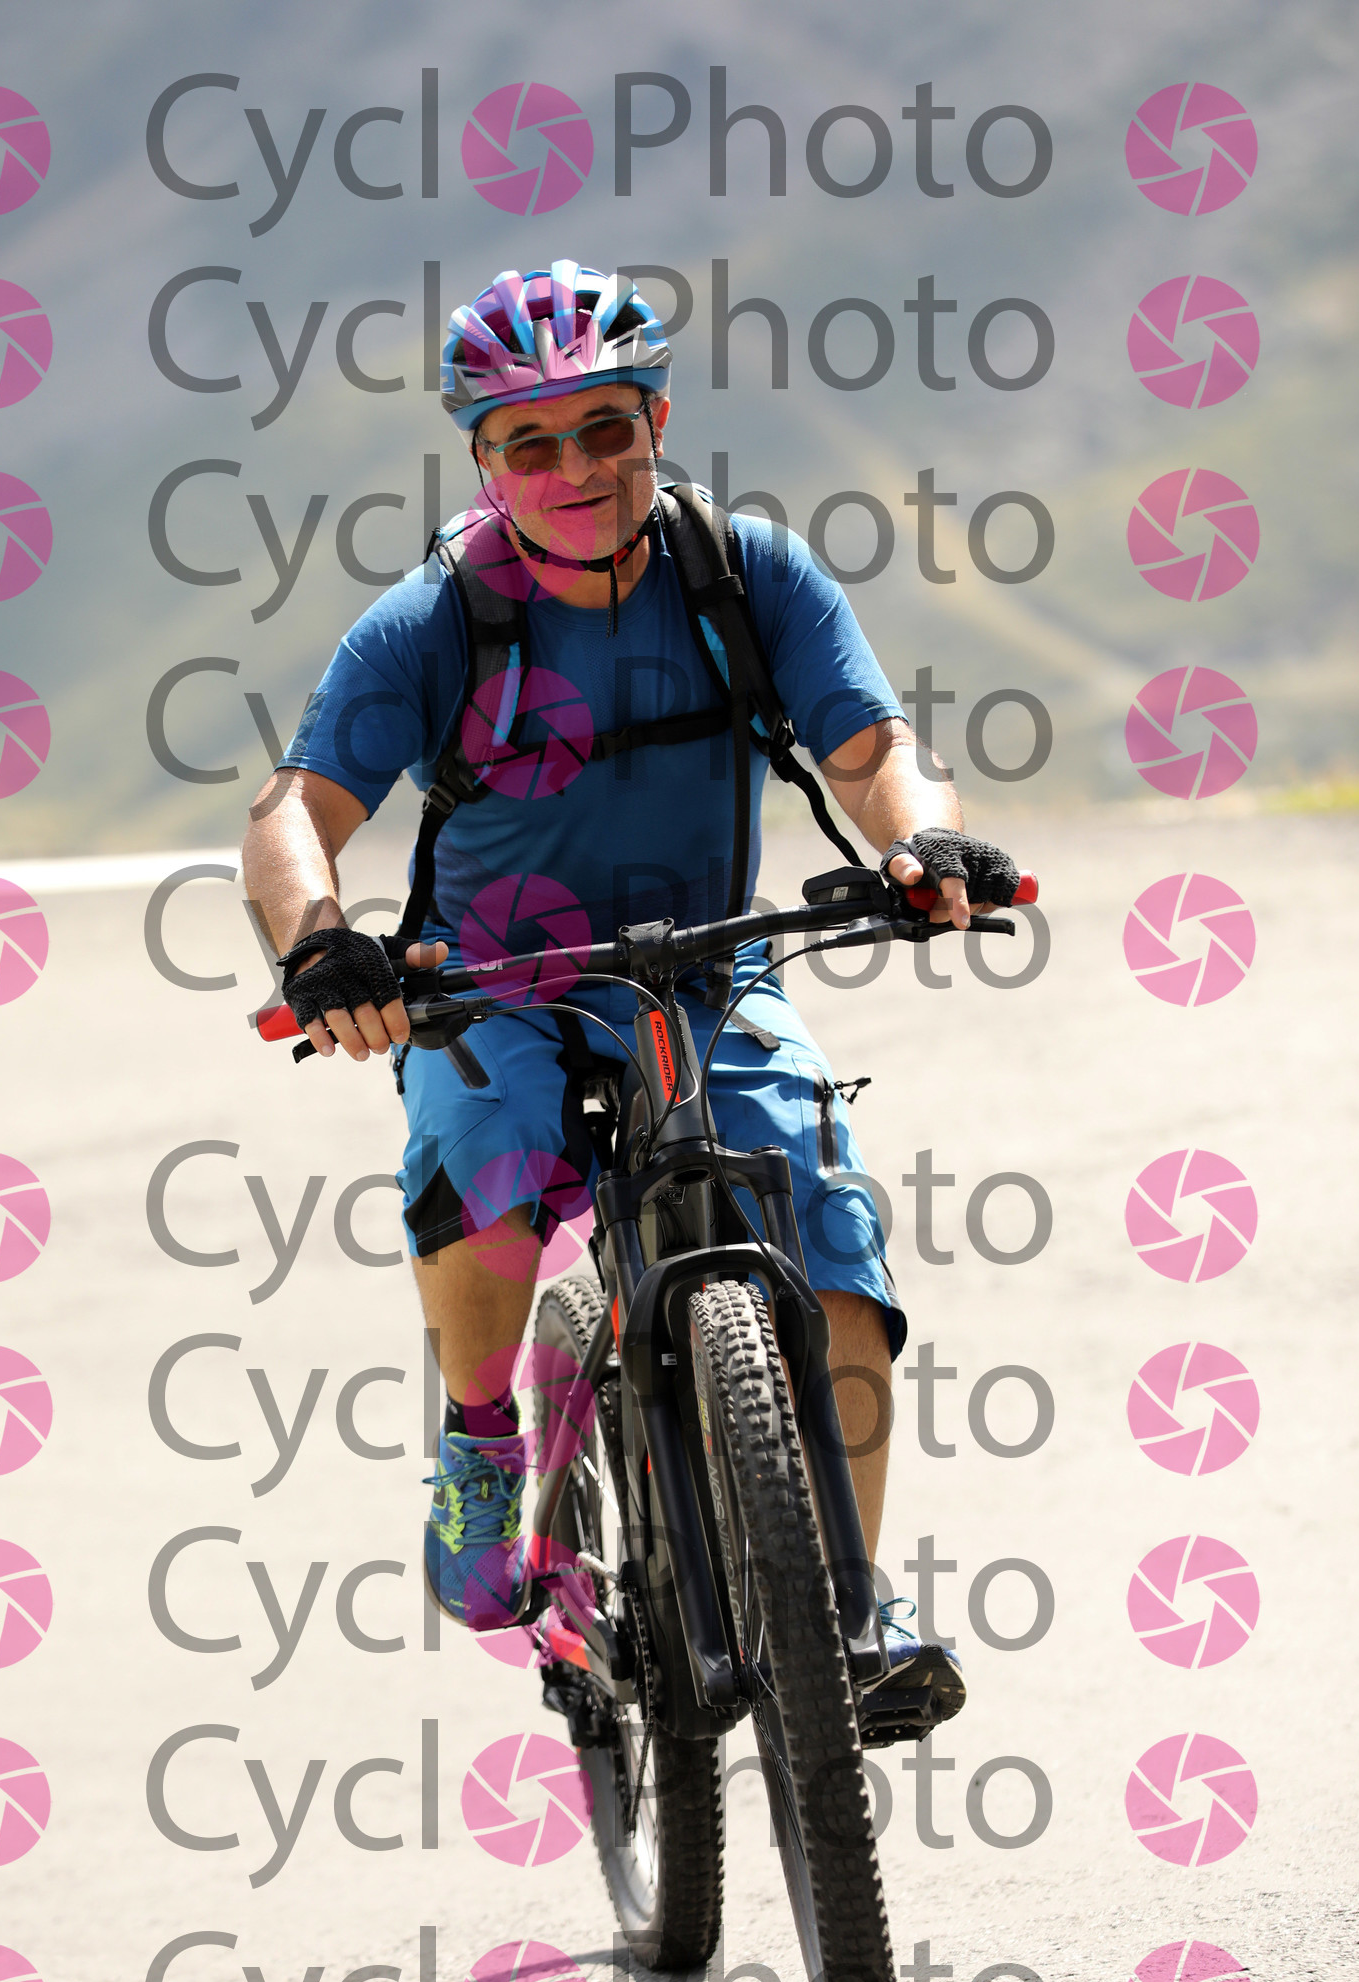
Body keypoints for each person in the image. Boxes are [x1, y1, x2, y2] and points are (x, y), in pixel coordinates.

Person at [241, 262, 1024, 1689]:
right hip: (493, 984)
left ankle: (847, 1613)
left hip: (708, 969)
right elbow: (294, 813)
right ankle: (485, 1442)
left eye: (603, 427)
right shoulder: (434, 620)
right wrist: (321, 944)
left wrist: (924, 843)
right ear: (485, 461)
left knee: (832, 1238)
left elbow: (869, 749)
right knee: (484, 1162)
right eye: (529, 443)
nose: (575, 468)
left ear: (656, 420)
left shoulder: (747, 574)